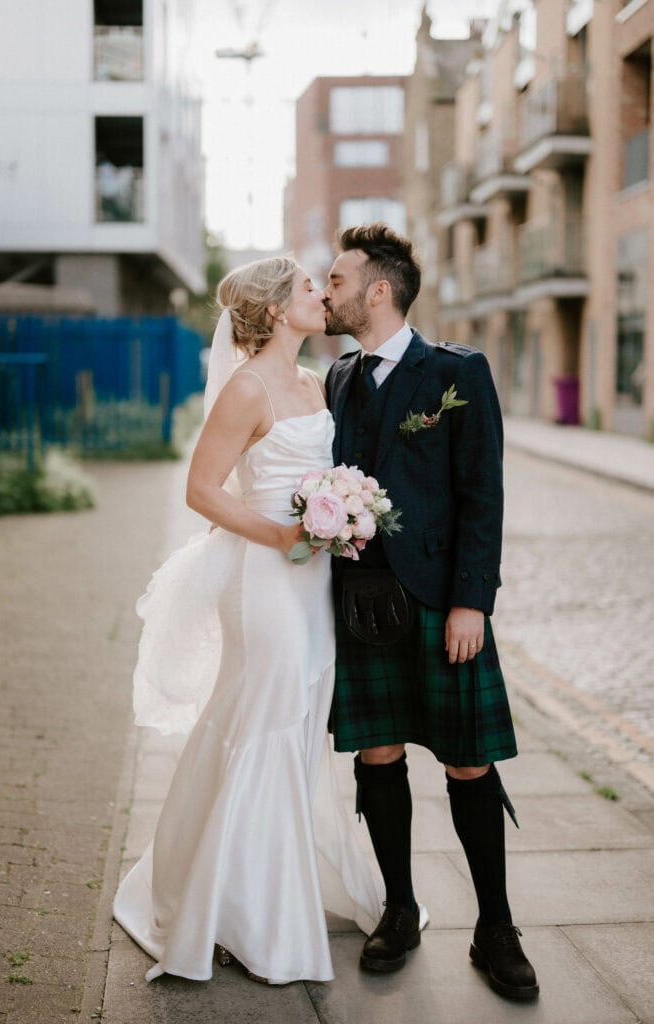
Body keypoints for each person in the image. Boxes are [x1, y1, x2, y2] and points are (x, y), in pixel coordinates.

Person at [113, 256, 384, 984]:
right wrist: (282, 536)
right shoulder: (246, 387)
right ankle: (236, 912)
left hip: (313, 575)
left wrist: (341, 511)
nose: (320, 296)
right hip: (264, 575)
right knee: (266, 714)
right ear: (272, 311)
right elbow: (204, 490)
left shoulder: (309, 382)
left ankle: (257, 884)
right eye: (306, 287)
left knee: (293, 720)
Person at [323, 223, 539, 1001]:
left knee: (466, 760)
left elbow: (484, 495)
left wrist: (469, 603)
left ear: (378, 289)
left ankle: (495, 928)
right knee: (376, 753)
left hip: (440, 601)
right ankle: (401, 910)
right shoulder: (339, 379)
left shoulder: (458, 373)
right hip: (359, 603)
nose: (327, 291)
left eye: (338, 279)